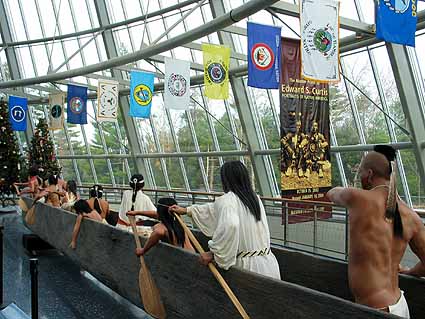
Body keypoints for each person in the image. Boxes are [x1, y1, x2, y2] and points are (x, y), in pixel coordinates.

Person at [326, 145, 425, 318]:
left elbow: (332, 193)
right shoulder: (412, 216)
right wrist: (410, 272)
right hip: (399, 305)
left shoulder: (358, 199)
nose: (360, 178)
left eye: (361, 173)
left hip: (375, 311)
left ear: (369, 175)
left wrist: (344, 189)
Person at [170, 161, 281, 280]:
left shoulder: (227, 201)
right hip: (268, 264)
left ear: (225, 180)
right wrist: (187, 210)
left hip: (248, 269)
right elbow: (213, 209)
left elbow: (231, 224)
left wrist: (214, 253)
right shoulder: (255, 199)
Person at [127, 197, 194, 256]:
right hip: (192, 254)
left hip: (184, 257)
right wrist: (136, 212)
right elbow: (156, 214)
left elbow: (157, 232)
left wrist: (143, 250)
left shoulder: (161, 228)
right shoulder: (178, 221)